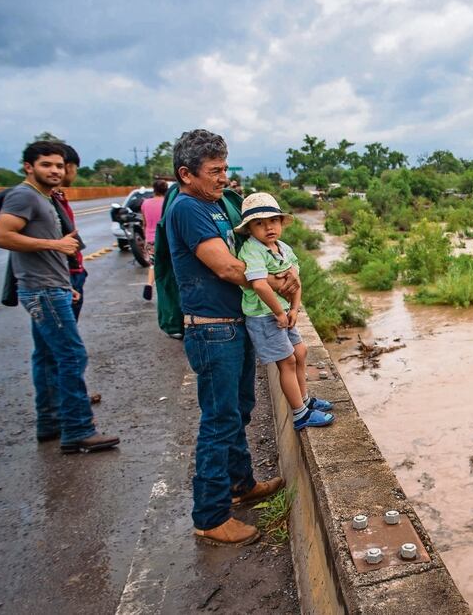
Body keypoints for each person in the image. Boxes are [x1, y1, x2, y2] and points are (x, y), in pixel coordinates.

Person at [165, 129, 296, 546]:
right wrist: (275, 284)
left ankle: (242, 483)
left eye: (225, 168)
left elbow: (255, 246)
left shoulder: (218, 206)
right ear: (187, 174)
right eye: (215, 171)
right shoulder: (187, 208)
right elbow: (226, 268)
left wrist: (279, 269)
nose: (224, 177)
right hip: (211, 328)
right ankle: (210, 514)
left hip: (232, 323)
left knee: (239, 409)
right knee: (219, 420)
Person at [0, 141, 119, 453]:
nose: (55, 171)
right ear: (28, 167)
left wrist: (65, 283)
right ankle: (77, 430)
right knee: (72, 356)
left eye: (59, 166)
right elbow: (1, 236)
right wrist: (56, 247)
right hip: (43, 289)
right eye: (47, 165)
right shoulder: (24, 195)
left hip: (51, 287)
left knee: (47, 356)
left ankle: (49, 422)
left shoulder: (43, 197)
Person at [235, 193, 333, 430]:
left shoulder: (282, 248)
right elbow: (259, 285)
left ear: (280, 223)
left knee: (300, 352)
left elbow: (295, 279)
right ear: (249, 229)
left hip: (283, 312)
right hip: (263, 316)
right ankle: (300, 414)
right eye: (259, 223)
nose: (268, 227)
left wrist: (294, 309)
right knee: (287, 361)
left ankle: (305, 400)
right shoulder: (252, 251)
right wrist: (280, 313)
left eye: (273, 221)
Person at [52, 143, 88, 320]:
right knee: (67, 344)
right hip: (61, 278)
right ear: (68, 167)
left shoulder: (57, 197)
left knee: (52, 343)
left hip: (69, 275)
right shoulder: (41, 199)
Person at [141, 179, 168, 301]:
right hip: (164, 238)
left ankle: (149, 284)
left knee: (153, 264)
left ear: (154, 190)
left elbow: (144, 223)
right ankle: (164, 290)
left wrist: (145, 238)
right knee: (167, 265)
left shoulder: (145, 203)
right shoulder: (167, 203)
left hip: (150, 238)